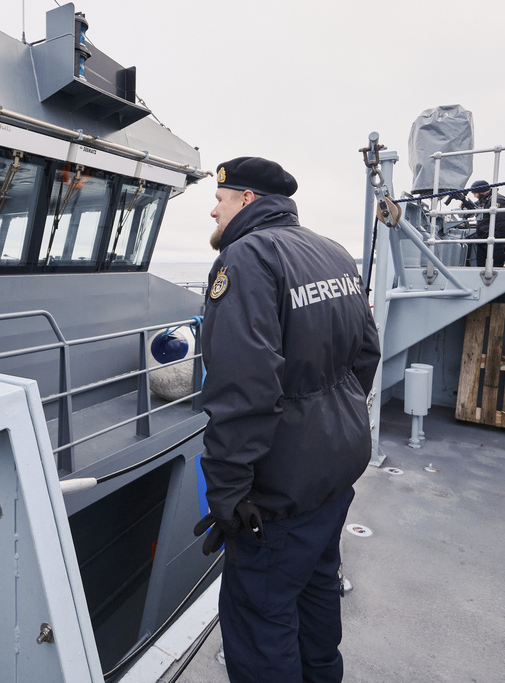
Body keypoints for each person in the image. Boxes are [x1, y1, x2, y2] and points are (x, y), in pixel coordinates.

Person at [192, 157, 381, 682]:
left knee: (261, 619)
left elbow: (242, 388)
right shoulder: (332, 252)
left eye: (220, 200)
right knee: (318, 591)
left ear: (247, 200)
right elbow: (365, 356)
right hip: (334, 473)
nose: (213, 209)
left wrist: (228, 493)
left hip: (279, 493)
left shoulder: (248, 258)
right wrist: (328, 424)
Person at [460, 179, 505, 267]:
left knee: (494, 267)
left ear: (481, 191)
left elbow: (502, 222)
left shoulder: (497, 200)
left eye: (475, 193)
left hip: (495, 241)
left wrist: (496, 239)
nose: (474, 196)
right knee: (481, 268)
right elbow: (475, 206)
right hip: (483, 240)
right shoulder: (484, 200)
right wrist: (465, 204)